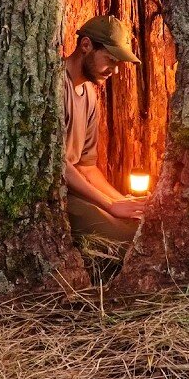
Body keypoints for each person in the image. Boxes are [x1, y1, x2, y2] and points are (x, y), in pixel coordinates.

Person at [63, 15, 146, 243]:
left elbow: (87, 167)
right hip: (57, 196)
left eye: (118, 63)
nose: (115, 71)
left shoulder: (89, 94)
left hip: (78, 191)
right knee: (128, 240)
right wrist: (109, 205)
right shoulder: (56, 85)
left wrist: (124, 203)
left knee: (138, 228)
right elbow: (58, 162)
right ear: (86, 45)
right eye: (110, 60)